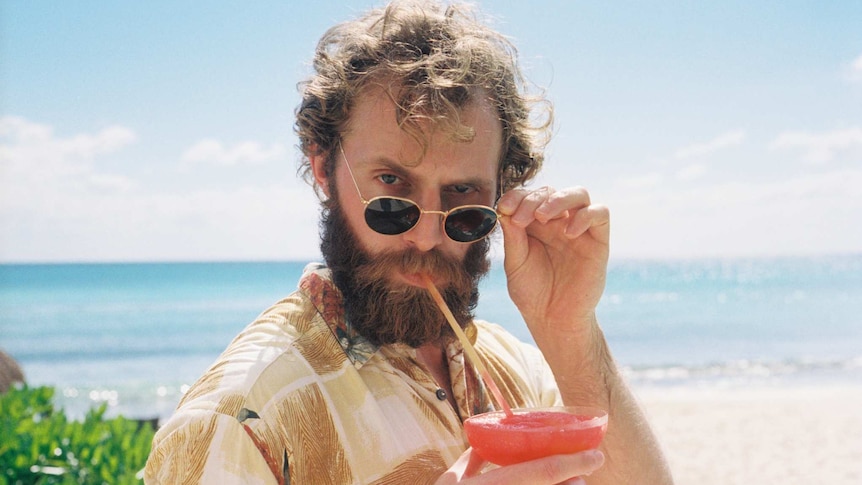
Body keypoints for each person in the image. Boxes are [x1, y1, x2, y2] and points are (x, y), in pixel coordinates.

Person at [145, 1, 673, 483]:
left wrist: (569, 331)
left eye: (462, 197)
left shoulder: (519, 369)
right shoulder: (237, 422)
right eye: (392, 190)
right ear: (324, 169)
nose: (425, 236)